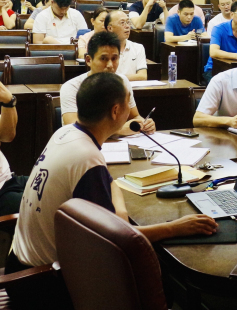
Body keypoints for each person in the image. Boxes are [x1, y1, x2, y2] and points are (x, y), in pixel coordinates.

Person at [8, 72, 217, 308]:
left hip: (21, 264)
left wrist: (120, 215)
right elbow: (117, 240)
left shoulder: (66, 133)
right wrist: (176, 227)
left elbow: (110, 184)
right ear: (116, 111)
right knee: (161, 277)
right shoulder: (87, 158)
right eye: (129, 101)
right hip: (43, 283)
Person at [61, 31, 156, 136]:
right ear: (88, 60)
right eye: (103, 59)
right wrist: (118, 130)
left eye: (114, 58)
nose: (110, 65)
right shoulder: (72, 87)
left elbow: (135, 117)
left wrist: (144, 124)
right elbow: (75, 129)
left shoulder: (122, 82)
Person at [202, 0, 237, 85]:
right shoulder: (219, 29)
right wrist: (236, 56)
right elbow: (213, 52)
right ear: (232, 14)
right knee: (227, 87)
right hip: (215, 69)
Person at [0, 80, 24, 217]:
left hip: (8, 180)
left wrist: (8, 102)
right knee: (47, 203)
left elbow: (7, 136)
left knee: (55, 184)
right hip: (1, 194)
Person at [105, 10, 148, 81]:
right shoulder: (102, 48)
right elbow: (104, 78)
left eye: (128, 22)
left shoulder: (138, 47)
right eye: (122, 23)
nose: (127, 26)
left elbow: (143, 76)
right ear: (110, 28)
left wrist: (116, 78)